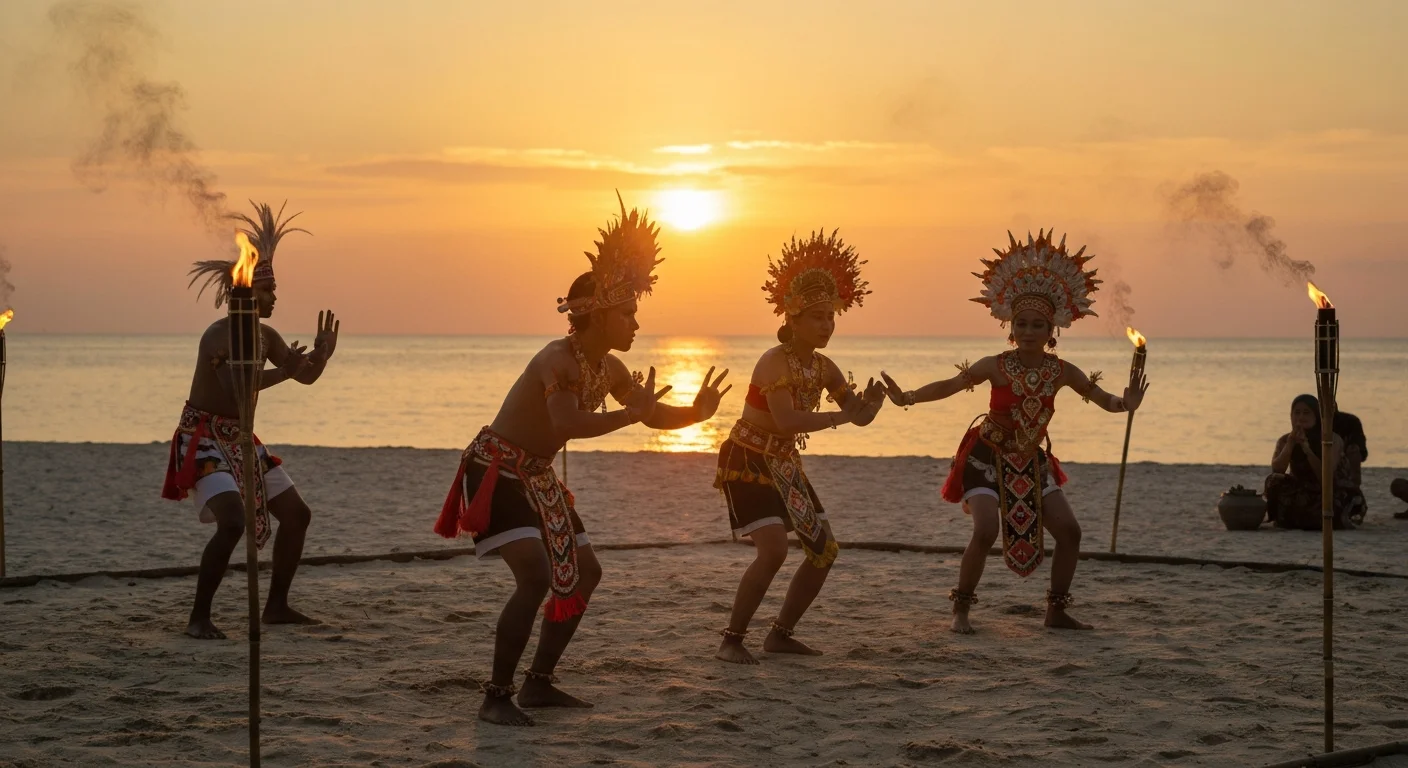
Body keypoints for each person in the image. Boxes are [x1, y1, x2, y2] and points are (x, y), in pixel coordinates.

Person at [434, 194, 730, 726]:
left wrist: (696, 413)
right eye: (629, 313)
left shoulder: (609, 366)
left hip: (538, 477)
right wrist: (632, 417)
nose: (637, 324)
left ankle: (538, 684)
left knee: (586, 572)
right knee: (534, 576)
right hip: (496, 472)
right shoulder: (557, 360)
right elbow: (567, 424)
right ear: (596, 314)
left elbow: (649, 412)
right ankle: (495, 696)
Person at [880, 230, 1147, 634]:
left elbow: (1105, 400)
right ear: (1010, 326)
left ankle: (1056, 611)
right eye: (1021, 323)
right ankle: (962, 610)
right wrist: (909, 397)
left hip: (1030, 460)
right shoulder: (996, 365)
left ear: (1051, 329)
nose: (1028, 331)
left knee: (1071, 533)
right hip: (985, 457)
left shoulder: (1062, 372)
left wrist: (1126, 404)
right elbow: (950, 387)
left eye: (1037, 324)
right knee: (986, 530)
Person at [162, 201, 339, 640]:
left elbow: (306, 378)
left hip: (240, 437)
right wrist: (290, 369)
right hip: (203, 438)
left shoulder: (266, 335)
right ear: (249, 292)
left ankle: (276, 607)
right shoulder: (218, 336)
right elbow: (240, 388)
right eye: (269, 292)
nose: (276, 297)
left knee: (297, 515)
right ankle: (198, 618)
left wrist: (320, 356)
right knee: (233, 522)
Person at [713, 229, 885, 666]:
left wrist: (873, 404)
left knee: (823, 550)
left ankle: (780, 635)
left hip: (785, 463)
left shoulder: (825, 368)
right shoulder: (774, 360)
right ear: (792, 319)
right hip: (748, 458)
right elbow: (788, 420)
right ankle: (732, 639)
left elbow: (857, 415)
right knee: (772, 550)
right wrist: (841, 417)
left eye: (831, 317)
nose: (827, 325)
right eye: (817, 317)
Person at [1264, 394, 1364, 530]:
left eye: (1306, 413)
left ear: (1316, 416)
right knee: (1273, 481)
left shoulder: (1331, 440)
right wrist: (1290, 444)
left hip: (1332, 490)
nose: (1300, 417)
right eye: (1296, 413)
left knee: (1321, 515)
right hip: (1303, 490)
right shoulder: (1285, 439)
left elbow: (1325, 477)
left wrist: (1307, 449)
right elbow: (1277, 470)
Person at [1333, 411, 1369, 525]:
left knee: (1354, 450)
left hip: (1341, 475)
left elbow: (1361, 453)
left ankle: (1352, 495)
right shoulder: (1309, 421)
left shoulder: (1349, 422)